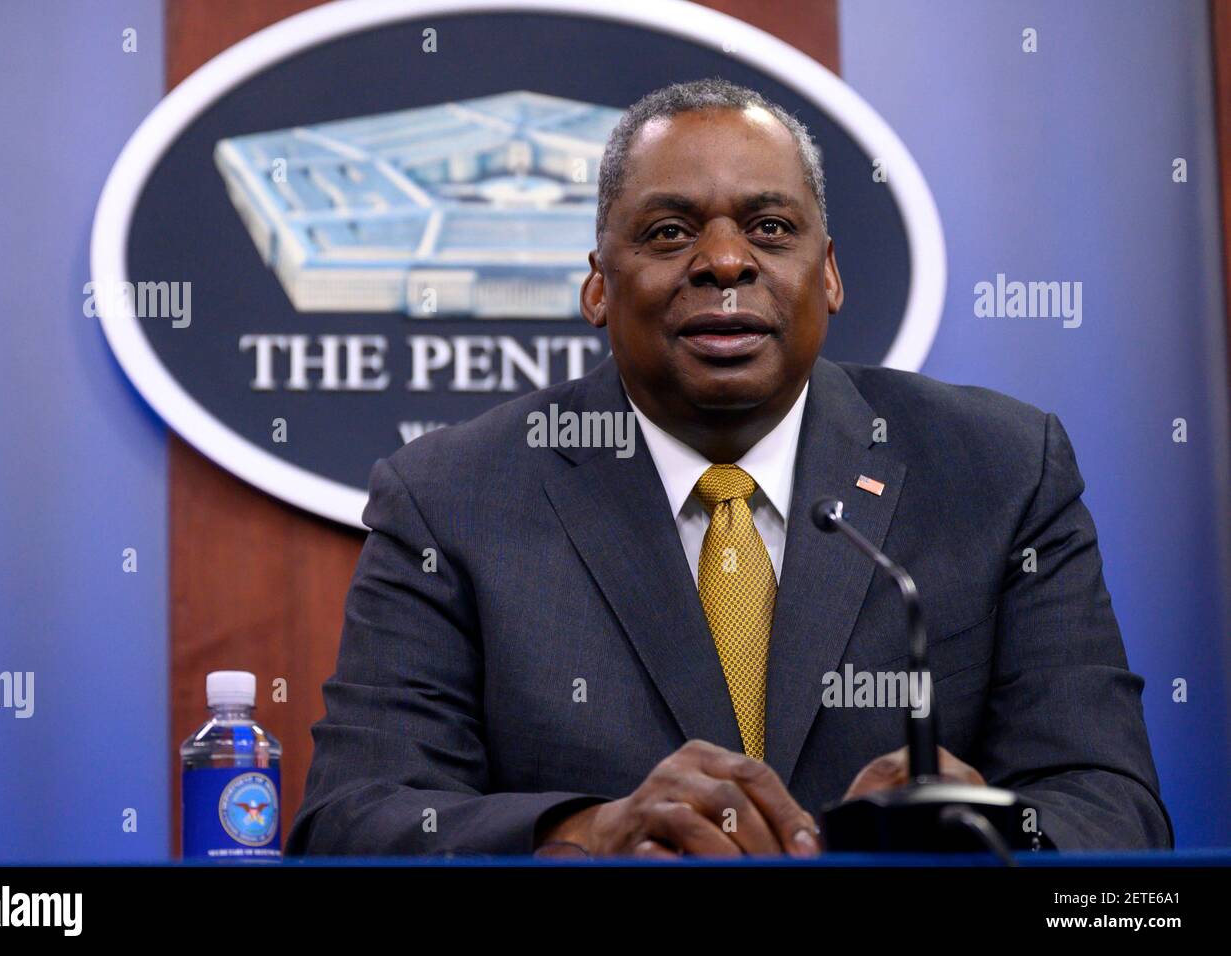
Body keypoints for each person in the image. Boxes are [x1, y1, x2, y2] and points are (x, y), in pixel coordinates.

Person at [287, 78, 1171, 857]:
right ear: (598, 287)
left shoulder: (1001, 470)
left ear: (827, 274)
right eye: (670, 232)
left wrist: (978, 826)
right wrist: (586, 834)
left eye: (771, 227)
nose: (723, 261)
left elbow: (1114, 809)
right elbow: (354, 821)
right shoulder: (451, 498)